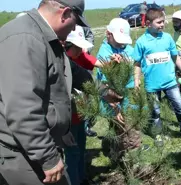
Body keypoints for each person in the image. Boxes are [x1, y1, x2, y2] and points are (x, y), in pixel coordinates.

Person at [0, 0, 91, 184]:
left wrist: (102, 91)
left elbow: (71, 70)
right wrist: (48, 157)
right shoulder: (25, 38)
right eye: (75, 23)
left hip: (35, 150)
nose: (74, 29)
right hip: (24, 156)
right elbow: (22, 108)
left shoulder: (45, 38)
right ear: (65, 13)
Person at [133, 8, 181, 147]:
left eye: (163, 21)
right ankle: (157, 134)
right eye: (159, 22)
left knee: (180, 107)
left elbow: (176, 57)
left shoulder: (168, 37)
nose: (162, 24)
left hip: (170, 82)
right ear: (149, 23)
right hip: (151, 85)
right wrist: (136, 80)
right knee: (155, 112)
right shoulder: (141, 42)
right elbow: (137, 63)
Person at [63, 25, 105, 185]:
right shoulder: (62, 63)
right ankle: (74, 181)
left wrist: (113, 63)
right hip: (68, 117)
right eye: (79, 47)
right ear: (69, 45)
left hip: (81, 113)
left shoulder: (80, 56)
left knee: (81, 148)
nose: (83, 51)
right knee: (72, 153)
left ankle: (82, 178)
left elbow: (95, 61)